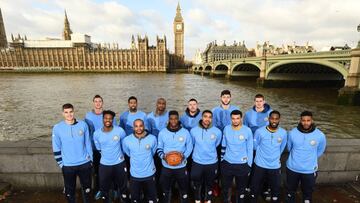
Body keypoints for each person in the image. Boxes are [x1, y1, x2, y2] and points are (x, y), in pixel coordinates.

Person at [52, 103, 93, 203]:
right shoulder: (57, 128)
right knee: (70, 192)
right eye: (66, 112)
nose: (69, 114)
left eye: (70, 112)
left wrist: (90, 160)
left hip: (84, 164)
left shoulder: (83, 125)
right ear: (63, 113)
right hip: (68, 166)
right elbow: (56, 147)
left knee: (87, 190)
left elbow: (88, 143)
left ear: (74, 112)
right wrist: (62, 164)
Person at [286, 111, 326, 203]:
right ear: (300, 120)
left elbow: (320, 150)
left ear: (312, 120)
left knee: (307, 194)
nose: (306, 123)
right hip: (293, 168)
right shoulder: (292, 133)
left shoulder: (320, 135)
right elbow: (289, 148)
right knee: (290, 192)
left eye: (308, 120)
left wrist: (309, 159)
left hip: (309, 170)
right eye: (303, 120)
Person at [249, 110, 287, 203]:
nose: (274, 121)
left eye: (276, 119)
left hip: (274, 166)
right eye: (272, 118)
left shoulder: (283, 133)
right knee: (254, 187)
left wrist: (274, 156)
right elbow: (255, 146)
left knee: (275, 188)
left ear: (279, 120)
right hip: (260, 165)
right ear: (269, 119)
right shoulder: (259, 131)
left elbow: (282, 148)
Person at [157, 110, 193, 203]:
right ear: (168, 120)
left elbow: (189, 147)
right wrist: (163, 157)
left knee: (184, 190)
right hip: (166, 167)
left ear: (178, 119)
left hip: (181, 167)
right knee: (166, 190)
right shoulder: (162, 132)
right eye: (171, 119)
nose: (173, 121)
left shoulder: (185, 132)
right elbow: (159, 148)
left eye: (175, 119)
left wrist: (183, 156)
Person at [93, 110, 128, 202]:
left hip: (119, 163)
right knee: (104, 188)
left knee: (123, 187)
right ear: (103, 119)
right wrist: (107, 156)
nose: (107, 120)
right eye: (105, 118)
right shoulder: (96, 134)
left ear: (113, 120)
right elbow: (98, 148)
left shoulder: (120, 131)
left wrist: (120, 156)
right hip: (104, 164)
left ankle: (122, 198)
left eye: (110, 118)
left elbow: (124, 146)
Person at [84, 95, 116, 198]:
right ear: (93, 103)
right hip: (95, 149)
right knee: (97, 171)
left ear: (102, 103)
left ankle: (114, 189)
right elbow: (86, 133)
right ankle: (99, 190)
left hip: (108, 148)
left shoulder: (108, 115)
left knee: (112, 169)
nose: (98, 103)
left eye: (100, 101)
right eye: (96, 101)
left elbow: (115, 130)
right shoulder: (88, 116)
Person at [221, 110, 253, 203]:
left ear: (241, 119)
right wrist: (222, 160)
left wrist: (249, 164)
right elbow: (224, 145)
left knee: (241, 189)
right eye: (233, 119)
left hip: (242, 165)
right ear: (231, 119)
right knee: (226, 188)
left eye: (237, 118)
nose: (235, 121)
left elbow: (250, 149)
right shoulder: (226, 129)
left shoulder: (247, 130)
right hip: (227, 163)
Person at [122, 119, 158, 203]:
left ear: (144, 126)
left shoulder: (152, 138)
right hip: (135, 175)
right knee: (135, 199)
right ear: (133, 128)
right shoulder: (127, 140)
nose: (139, 128)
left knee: (151, 199)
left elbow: (152, 152)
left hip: (149, 173)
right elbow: (128, 153)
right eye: (136, 126)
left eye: (141, 126)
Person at [190, 110, 222, 203]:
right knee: (197, 183)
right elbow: (192, 144)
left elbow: (217, 144)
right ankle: (197, 199)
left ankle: (208, 200)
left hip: (212, 162)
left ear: (211, 119)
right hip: (197, 162)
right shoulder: (193, 131)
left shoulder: (217, 132)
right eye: (205, 116)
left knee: (210, 183)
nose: (207, 119)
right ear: (201, 117)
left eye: (209, 117)